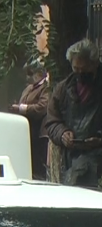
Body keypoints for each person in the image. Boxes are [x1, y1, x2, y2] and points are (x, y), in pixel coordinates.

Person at [43, 39, 102, 187]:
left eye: (84, 69)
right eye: (76, 69)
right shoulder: (63, 89)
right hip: (70, 160)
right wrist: (62, 134)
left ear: (95, 64)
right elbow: (52, 121)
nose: (80, 73)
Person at [9, 62, 50, 180]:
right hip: (26, 130)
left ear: (39, 73)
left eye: (30, 74)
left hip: (39, 131)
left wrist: (22, 108)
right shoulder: (29, 88)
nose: (28, 77)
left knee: (38, 164)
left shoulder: (46, 87)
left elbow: (42, 107)